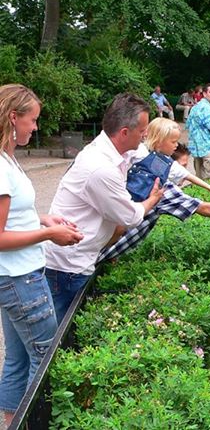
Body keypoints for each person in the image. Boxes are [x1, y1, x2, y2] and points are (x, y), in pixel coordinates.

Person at [0, 85, 84, 426]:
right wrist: (50, 234)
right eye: (32, 120)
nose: (35, 128)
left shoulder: (8, 159)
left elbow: (13, 218)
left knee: (18, 359)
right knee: (46, 356)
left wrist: (43, 219)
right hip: (21, 279)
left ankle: (11, 422)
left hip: (15, 276)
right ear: (12, 117)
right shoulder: (1, 167)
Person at [44, 93, 164, 323]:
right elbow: (130, 216)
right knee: (57, 341)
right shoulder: (100, 168)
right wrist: (153, 199)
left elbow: (141, 153)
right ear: (124, 133)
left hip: (73, 261)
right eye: (142, 130)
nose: (146, 135)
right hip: (69, 267)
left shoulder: (109, 149)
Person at [95, 119, 210, 266]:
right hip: (95, 255)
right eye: (173, 142)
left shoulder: (134, 166)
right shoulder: (159, 187)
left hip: (96, 243)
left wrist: (207, 187)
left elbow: (185, 174)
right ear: (157, 141)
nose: (176, 145)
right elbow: (203, 208)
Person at [185, 83, 210, 179]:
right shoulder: (207, 107)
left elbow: (188, 125)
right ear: (204, 94)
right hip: (208, 147)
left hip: (196, 148)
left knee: (200, 180)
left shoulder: (195, 107)